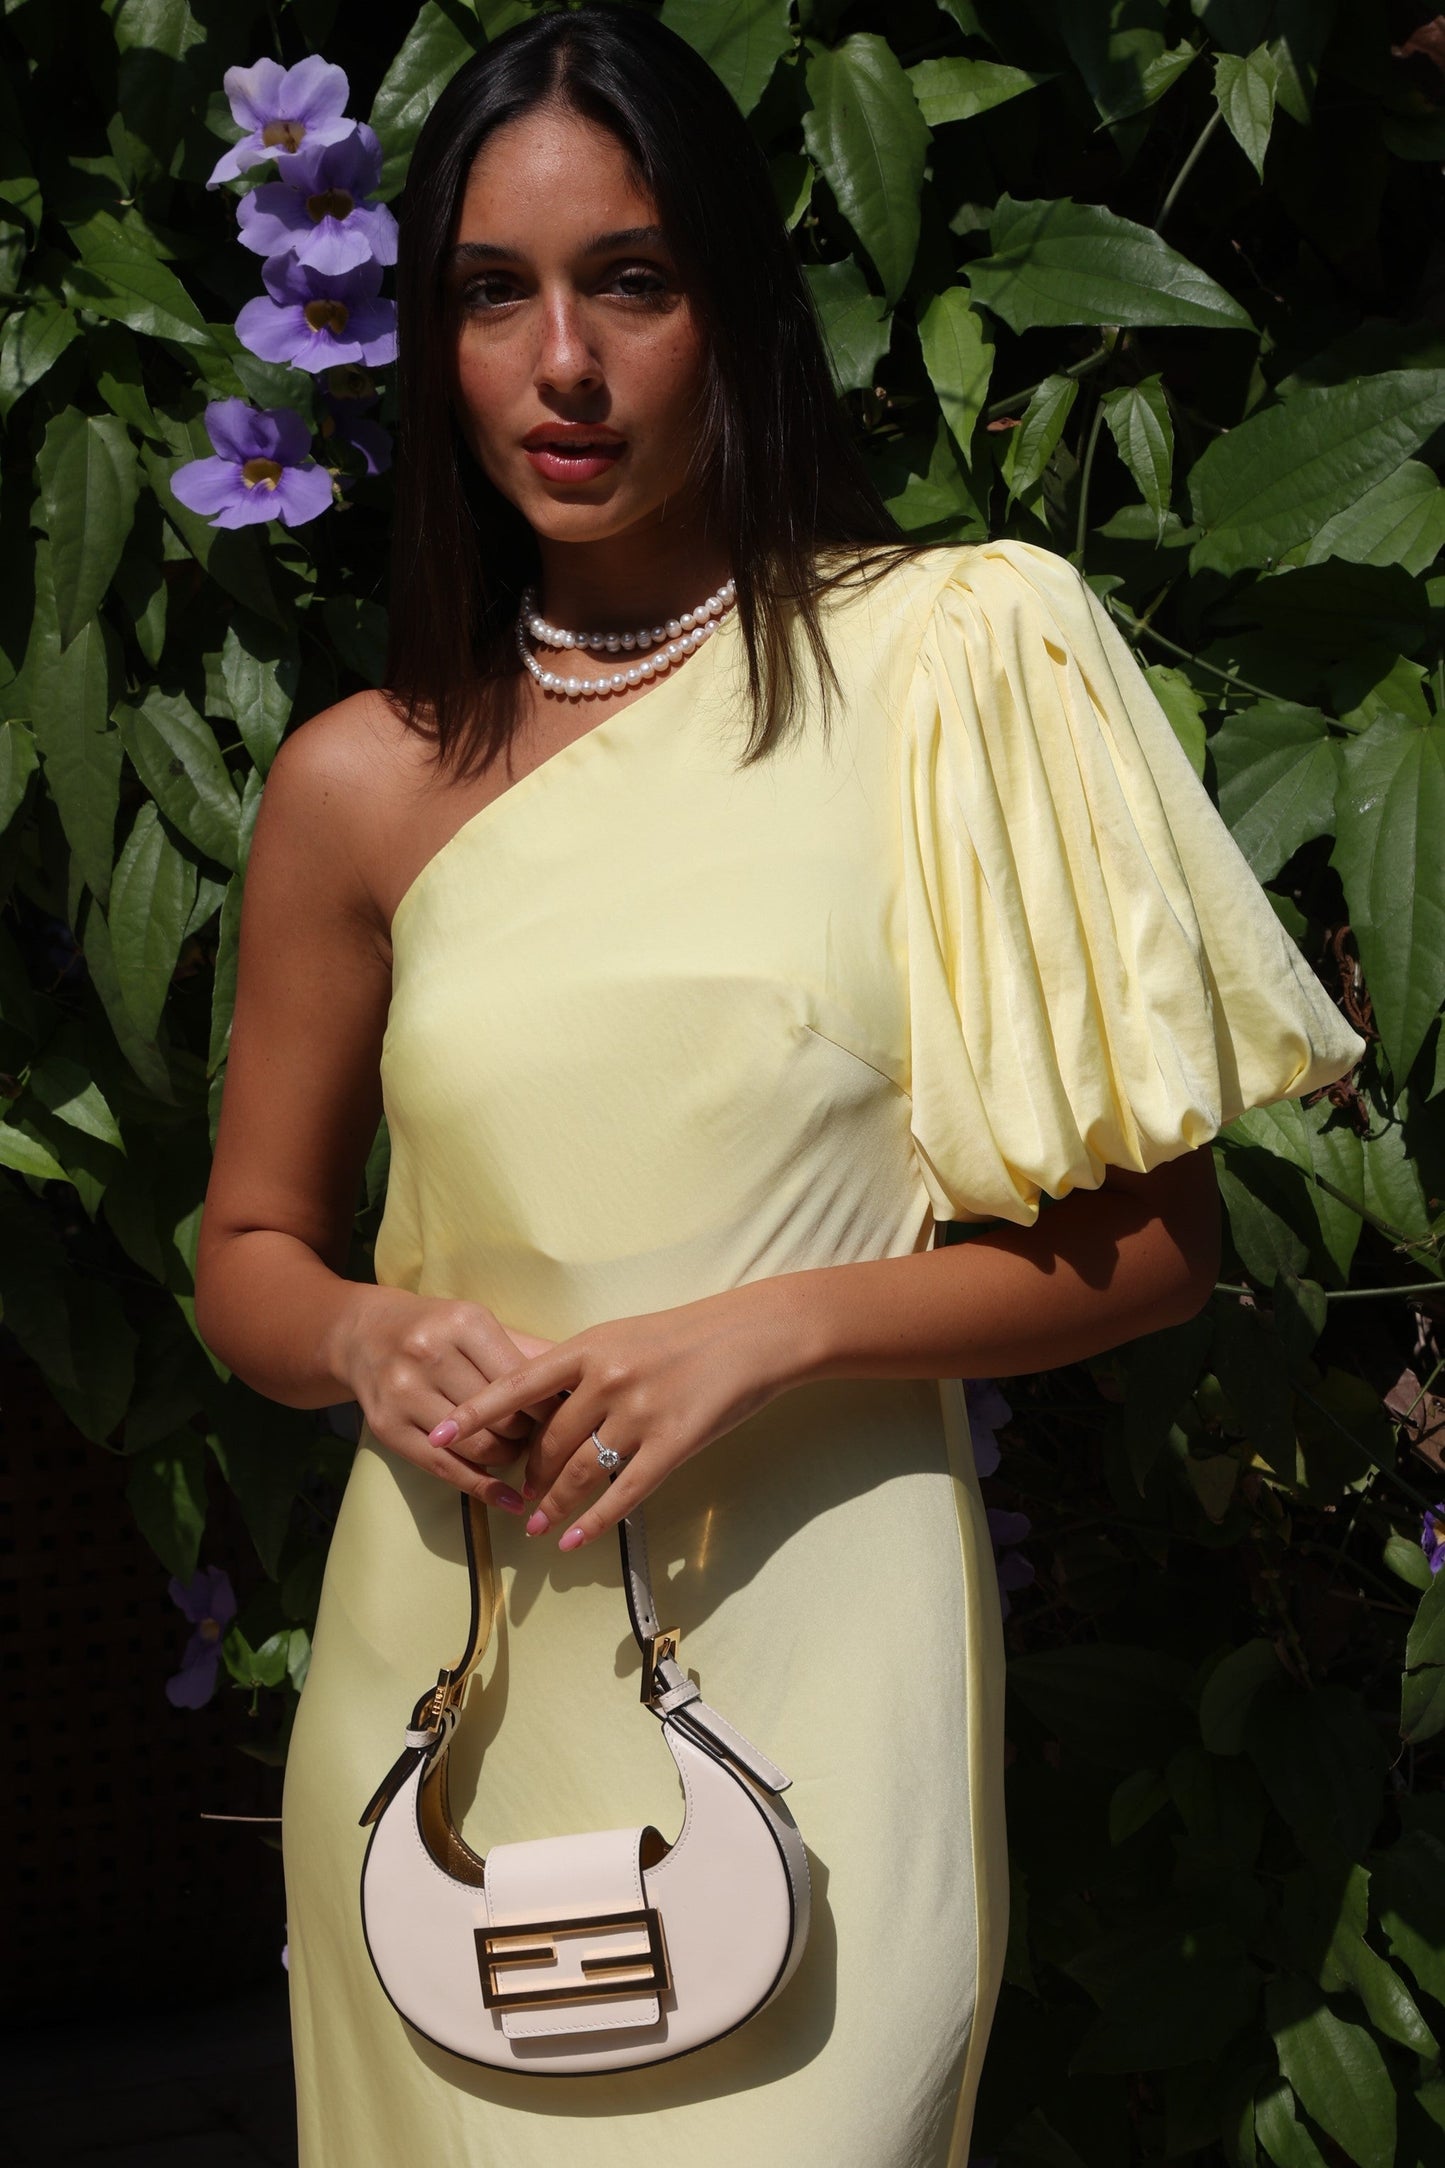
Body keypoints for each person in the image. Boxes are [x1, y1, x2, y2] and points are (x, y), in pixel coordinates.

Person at [192, 9, 1365, 2165]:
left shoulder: (952, 661)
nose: (563, 363)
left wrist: (769, 1329)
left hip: (824, 1680)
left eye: (629, 281)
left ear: (734, 303)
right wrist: (358, 1333)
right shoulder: (357, 784)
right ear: (431, 344)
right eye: (492, 293)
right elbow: (250, 1254)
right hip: (454, 1696)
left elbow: (1156, 1247)